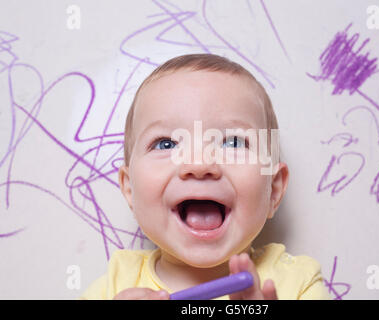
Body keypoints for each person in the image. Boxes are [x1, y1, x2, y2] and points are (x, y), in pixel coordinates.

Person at [79, 53, 330, 300]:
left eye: (232, 142)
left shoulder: (298, 283)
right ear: (130, 189)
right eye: (166, 144)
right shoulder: (113, 288)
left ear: (273, 190)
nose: (199, 164)